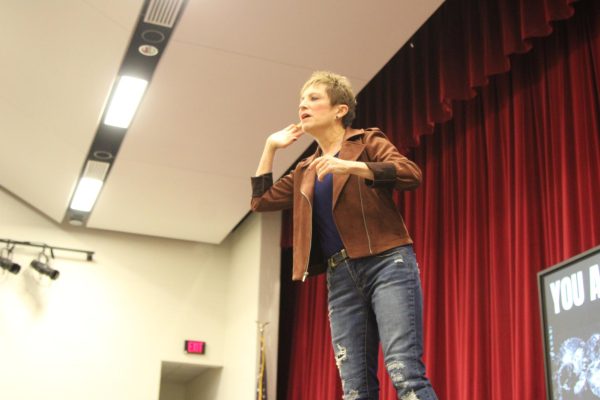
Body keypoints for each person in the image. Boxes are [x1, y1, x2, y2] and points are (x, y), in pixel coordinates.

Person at [251, 71, 438, 400]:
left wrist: (352, 167)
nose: (302, 106)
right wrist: (270, 147)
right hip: (341, 277)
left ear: (340, 109)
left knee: (403, 370)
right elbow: (260, 202)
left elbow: (411, 173)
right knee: (354, 389)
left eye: (313, 98)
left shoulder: (366, 141)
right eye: (301, 101)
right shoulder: (305, 170)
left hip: (387, 263)